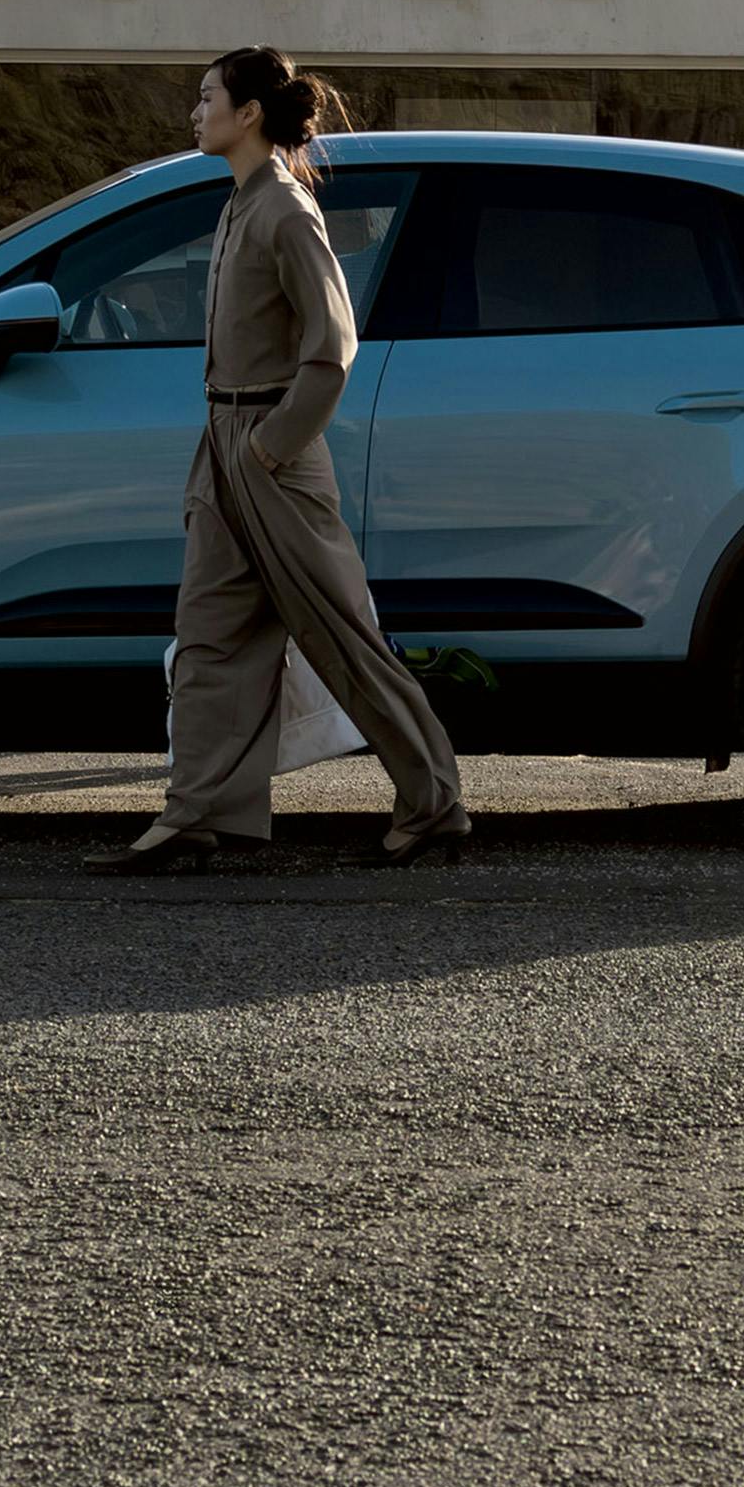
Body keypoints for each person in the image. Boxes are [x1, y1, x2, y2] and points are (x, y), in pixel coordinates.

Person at [94, 49, 473, 873]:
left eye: (207, 98)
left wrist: (269, 446)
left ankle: (434, 803)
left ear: (249, 114)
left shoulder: (287, 210)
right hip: (224, 444)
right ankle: (197, 813)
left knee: (339, 635)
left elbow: (333, 349)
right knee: (209, 637)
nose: (195, 113)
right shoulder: (240, 203)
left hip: (273, 451)